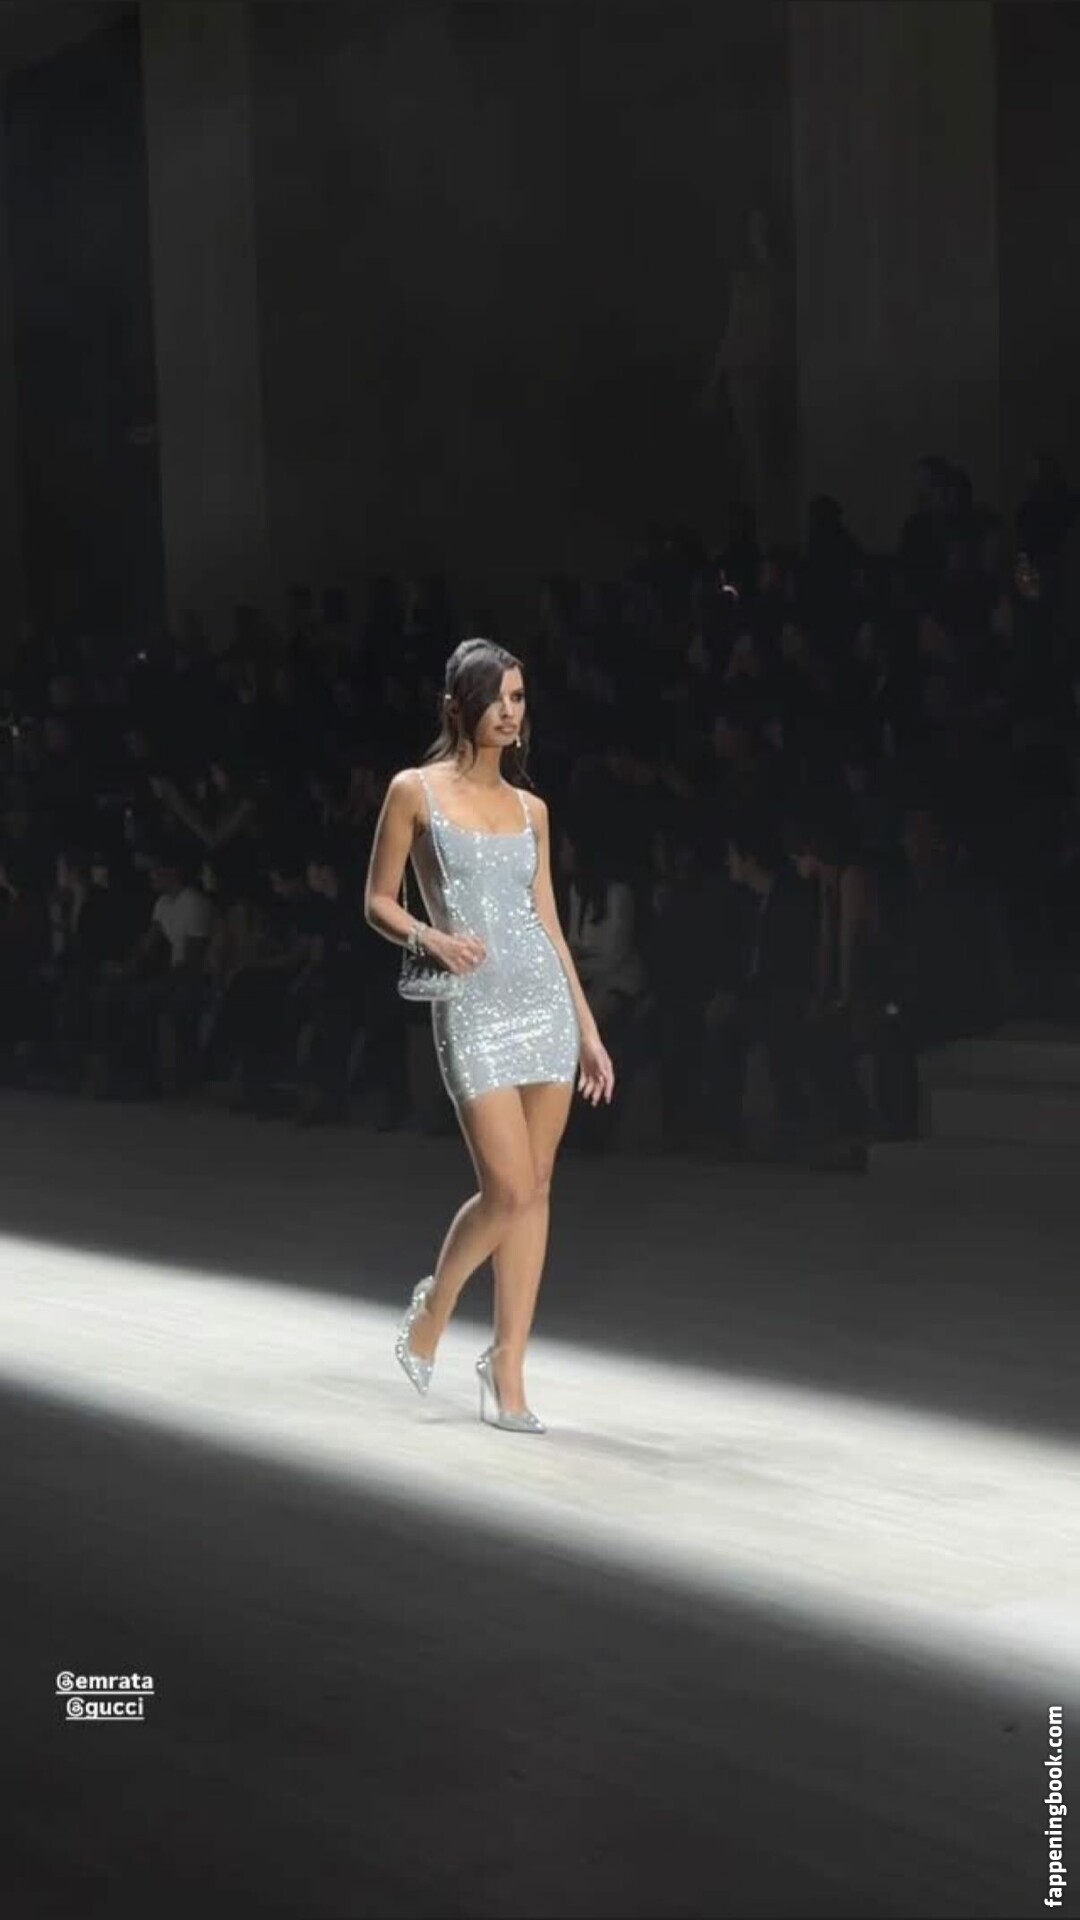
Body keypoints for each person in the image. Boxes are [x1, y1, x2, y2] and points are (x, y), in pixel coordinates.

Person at [364, 637, 615, 1434]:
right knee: (506, 1187)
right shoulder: (414, 791)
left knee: (536, 1189)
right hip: (471, 1006)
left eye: (519, 698)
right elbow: (378, 901)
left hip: (543, 1005)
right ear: (457, 706)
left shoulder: (532, 809)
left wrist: (588, 1028)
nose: (511, 712)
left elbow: (549, 926)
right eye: (498, 698)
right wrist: (431, 938)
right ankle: (436, 1305)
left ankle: (507, 1367)